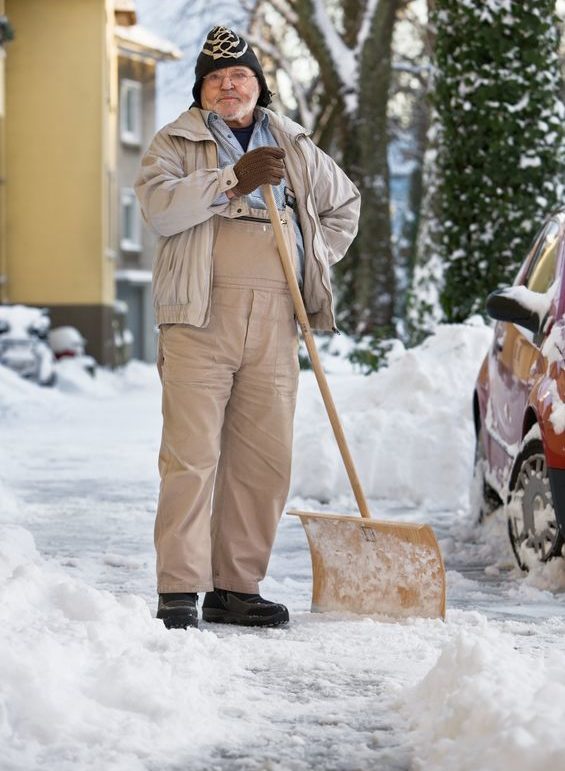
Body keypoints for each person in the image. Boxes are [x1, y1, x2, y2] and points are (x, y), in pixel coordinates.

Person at [135, 25, 360, 630]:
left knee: (263, 459)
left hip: (276, 316)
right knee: (191, 456)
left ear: (258, 84)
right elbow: (159, 209)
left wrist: (314, 253)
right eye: (215, 78)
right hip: (199, 314)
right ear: (202, 90)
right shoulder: (174, 143)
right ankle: (180, 587)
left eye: (239, 76)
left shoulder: (294, 142)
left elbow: (344, 206)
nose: (228, 86)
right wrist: (234, 179)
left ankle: (236, 586)